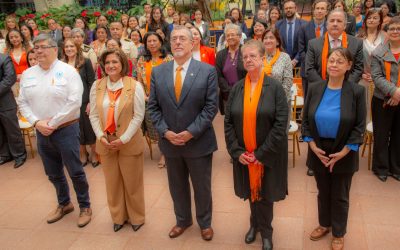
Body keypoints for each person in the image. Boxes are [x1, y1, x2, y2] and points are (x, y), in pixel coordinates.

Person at [147, 25, 218, 241]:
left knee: (202, 187)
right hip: (170, 143)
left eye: (182, 39)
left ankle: (205, 223)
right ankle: (182, 220)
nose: (177, 42)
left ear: (192, 43)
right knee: (177, 186)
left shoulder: (207, 71)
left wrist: (190, 132)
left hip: (198, 142)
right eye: (174, 38)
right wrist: (165, 132)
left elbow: (210, 107)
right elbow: (153, 107)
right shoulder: (159, 72)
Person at [18, 34, 92, 227]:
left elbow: (74, 101)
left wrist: (53, 123)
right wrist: (36, 122)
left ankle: (85, 206)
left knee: (75, 171)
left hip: (66, 130)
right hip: (41, 132)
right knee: (53, 172)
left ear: (54, 49)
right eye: (36, 48)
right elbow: (22, 102)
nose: (38, 51)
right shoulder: (28, 74)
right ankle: (64, 203)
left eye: (42, 47)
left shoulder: (68, 71)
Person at [224, 39, 288, 250]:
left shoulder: (275, 87)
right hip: (244, 154)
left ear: (262, 58)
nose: (249, 60)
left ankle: (266, 232)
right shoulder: (237, 88)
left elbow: (280, 124)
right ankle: (254, 225)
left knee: (266, 195)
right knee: (252, 193)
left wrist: (261, 153)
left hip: (267, 154)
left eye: (253, 56)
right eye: (245, 57)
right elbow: (228, 122)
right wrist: (237, 151)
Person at [302, 48, 366, 250]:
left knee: (340, 194)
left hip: (344, 149)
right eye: (331, 60)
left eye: (340, 61)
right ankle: (324, 224)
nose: (334, 65)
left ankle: (338, 232)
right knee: (323, 191)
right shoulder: (314, 87)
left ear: (348, 66)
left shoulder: (356, 91)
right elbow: (304, 120)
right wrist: (312, 145)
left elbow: (359, 126)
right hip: (319, 147)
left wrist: (345, 151)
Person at [89, 48, 146, 232]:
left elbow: (139, 116)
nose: (111, 66)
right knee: (112, 183)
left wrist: (124, 138)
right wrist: (100, 136)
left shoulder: (134, 85)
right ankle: (118, 217)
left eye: (115, 62)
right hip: (106, 142)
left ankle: (137, 216)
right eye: (107, 63)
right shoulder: (97, 85)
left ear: (122, 64)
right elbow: (94, 115)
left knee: (132, 182)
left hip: (128, 140)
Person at [136, 32, 173, 167]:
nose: (152, 43)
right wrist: (145, 96)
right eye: (149, 41)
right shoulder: (142, 60)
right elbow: (139, 80)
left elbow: (172, 80)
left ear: (160, 42)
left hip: (166, 98)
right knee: (154, 128)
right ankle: (162, 149)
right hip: (148, 99)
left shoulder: (168, 59)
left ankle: (164, 154)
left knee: (166, 125)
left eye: (154, 41)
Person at [370, 17, 400, 182]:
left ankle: (396, 167)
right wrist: (394, 92)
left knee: (398, 135)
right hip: (382, 99)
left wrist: (398, 95)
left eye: (398, 28)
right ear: (386, 32)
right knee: (381, 135)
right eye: (392, 29)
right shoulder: (378, 53)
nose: (395, 31)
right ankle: (381, 167)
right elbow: (376, 76)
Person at [62, 38, 98, 168]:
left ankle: (94, 153)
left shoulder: (85, 62)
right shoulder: (61, 65)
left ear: (77, 48)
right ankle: (82, 154)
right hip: (68, 104)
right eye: (66, 47)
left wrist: (90, 102)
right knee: (76, 130)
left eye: (72, 46)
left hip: (84, 101)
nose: (69, 49)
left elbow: (91, 83)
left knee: (89, 129)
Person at [305, 10, 363, 86]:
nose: (335, 24)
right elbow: (309, 69)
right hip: (320, 89)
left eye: (339, 21)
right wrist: (324, 87)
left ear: (345, 25)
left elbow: (358, 69)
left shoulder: (356, 43)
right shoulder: (313, 44)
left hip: (347, 89)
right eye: (332, 21)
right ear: (327, 25)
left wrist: (344, 86)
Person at [357, 9, 386, 122]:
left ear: (380, 21)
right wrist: (361, 74)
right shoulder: (358, 37)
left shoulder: (386, 37)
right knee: (363, 108)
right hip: (363, 78)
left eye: (375, 18)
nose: (371, 20)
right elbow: (354, 60)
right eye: (369, 18)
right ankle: (363, 133)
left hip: (381, 79)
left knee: (379, 110)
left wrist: (377, 76)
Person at [299, 0, 329, 101]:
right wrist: (310, 65)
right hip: (308, 72)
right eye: (317, 8)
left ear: (327, 11)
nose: (319, 11)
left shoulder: (330, 29)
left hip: (327, 71)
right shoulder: (303, 28)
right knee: (308, 100)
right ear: (313, 10)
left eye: (322, 9)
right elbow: (301, 50)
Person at [0, 53, 27, 168]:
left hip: (5, 101)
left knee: (12, 130)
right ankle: (4, 154)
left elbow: (10, 78)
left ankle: (19, 155)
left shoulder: (4, 58)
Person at [216, 24, 247, 114]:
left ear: (240, 36)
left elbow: (250, 73)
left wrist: (240, 91)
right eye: (228, 35)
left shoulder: (246, 52)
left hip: (245, 95)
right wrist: (230, 91)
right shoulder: (220, 55)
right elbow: (219, 76)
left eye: (232, 35)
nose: (230, 37)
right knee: (229, 124)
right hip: (227, 97)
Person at [262, 28, 293, 105]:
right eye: (265, 38)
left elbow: (288, 82)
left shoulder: (285, 57)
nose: (268, 40)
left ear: (277, 42)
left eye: (271, 37)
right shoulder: (258, 57)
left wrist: (275, 98)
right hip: (261, 102)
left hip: (281, 101)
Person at [275, 0, 307, 68]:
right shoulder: (278, 25)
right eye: (286, 8)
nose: (288, 10)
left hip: (300, 64)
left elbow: (305, 44)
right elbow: (277, 44)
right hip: (282, 62)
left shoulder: (304, 24)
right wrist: (285, 60)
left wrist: (295, 60)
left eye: (290, 8)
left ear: (295, 9)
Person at [4, 29, 32, 97]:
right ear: (9, 40)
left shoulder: (29, 49)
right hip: (13, 82)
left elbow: (33, 65)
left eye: (16, 37)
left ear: (21, 38)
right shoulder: (6, 52)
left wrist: (24, 75)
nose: (14, 39)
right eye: (11, 37)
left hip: (28, 80)